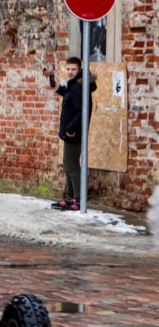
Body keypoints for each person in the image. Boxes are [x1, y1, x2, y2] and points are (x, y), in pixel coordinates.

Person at [51, 56, 97, 211]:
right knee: (68, 165)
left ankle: (77, 199)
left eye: (73, 69)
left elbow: (81, 111)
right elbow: (69, 96)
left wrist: (70, 129)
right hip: (69, 132)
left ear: (79, 70)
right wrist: (55, 84)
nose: (70, 72)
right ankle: (70, 197)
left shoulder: (78, 87)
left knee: (72, 167)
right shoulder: (75, 85)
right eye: (68, 69)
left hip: (73, 133)